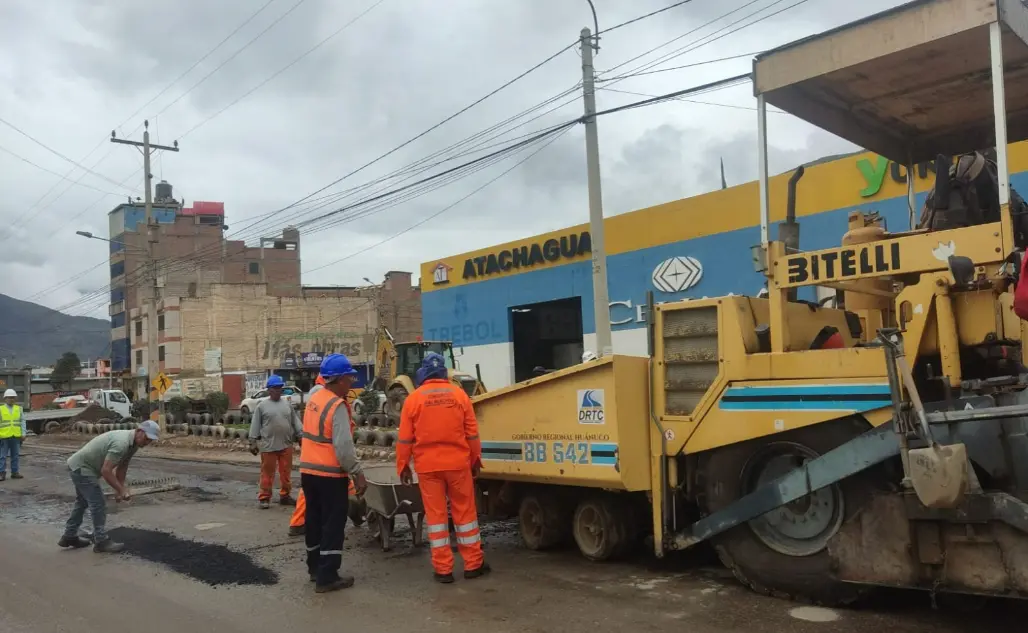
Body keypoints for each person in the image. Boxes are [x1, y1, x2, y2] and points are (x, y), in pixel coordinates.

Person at [397, 352, 489, 584]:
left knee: (437, 518)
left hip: (428, 468)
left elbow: (405, 439)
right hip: (458, 465)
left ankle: (443, 569)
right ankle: (473, 565)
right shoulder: (459, 395)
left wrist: (403, 466)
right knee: (465, 514)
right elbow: (472, 433)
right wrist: (476, 459)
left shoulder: (413, 399)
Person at [299, 354, 368, 593]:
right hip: (330, 475)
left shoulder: (315, 398)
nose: (351, 382)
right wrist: (357, 472)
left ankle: (315, 568)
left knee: (314, 520)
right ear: (339, 380)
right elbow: (344, 448)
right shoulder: (337, 406)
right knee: (332, 524)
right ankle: (327, 577)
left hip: (308, 471)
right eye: (349, 377)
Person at [58, 421, 159, 552]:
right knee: (98, 503)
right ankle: (101, 541)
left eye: (150, 441)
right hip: (82, 468)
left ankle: (69, 536)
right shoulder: (121, 443)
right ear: (139, 431)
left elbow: (122, 467)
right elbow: (106, 471)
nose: (147, 442)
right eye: (146, 438)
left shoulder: (133, 444)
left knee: (82, 502)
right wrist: (122, 490)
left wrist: (118, 490)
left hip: (82, 467)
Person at [248, 374, 302, 510]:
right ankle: (264, 497)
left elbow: (295, 422)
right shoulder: (262, 406)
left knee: (286, 473)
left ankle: (285, 496)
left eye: (279, 388)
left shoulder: (287, 405)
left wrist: (301, 436)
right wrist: (252, 441)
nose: (278, 390)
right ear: (269, 390)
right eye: (275, 388)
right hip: (268, 446)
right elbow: (255, 424)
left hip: (286, 444)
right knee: (267, 473)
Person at [0, 389, 26, 481]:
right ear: (5, 398)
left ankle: (15, 473)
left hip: (16, 436)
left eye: (13, 397)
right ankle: (1, 473)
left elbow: (22, 422)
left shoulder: (19, 409)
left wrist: (23, 433)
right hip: (4, 436)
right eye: (9, 397)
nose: (11, 399)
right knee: (2, 456)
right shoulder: (1, 409)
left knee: (15, 455)